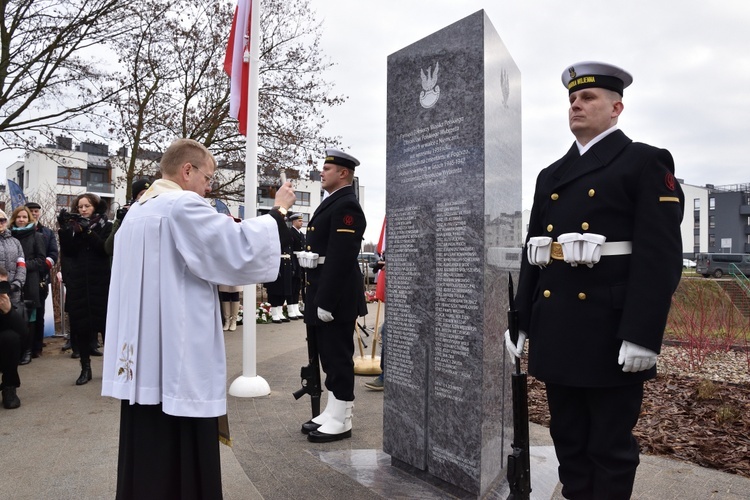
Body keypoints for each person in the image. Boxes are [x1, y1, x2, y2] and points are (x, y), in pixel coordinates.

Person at [505, 61, 684, 500]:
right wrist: (521, 319)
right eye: (572, 99)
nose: (576, 105)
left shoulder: (644, 162)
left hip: (610, 328)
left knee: (609, 445)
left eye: (588, 98)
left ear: (616, 108)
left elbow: (659, 256)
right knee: (568, 438)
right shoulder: (551, 175)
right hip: (559, 323)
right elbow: (536, 251)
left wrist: (642, 333)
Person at [101, 138, 295, 499]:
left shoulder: (136, 212)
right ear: (187, 170)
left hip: (143, 356)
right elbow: (235, 248)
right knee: (182, 448)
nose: (209, 187)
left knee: (146, 446)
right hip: (177, 354)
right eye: (208, 177)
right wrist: (278, 212)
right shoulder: (181, 205)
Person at [299, 149, 367, 443]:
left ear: (344, 173)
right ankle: (333, 410)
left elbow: (341, 257)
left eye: (327, 168)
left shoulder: (347, 206)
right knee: (327, 354)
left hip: (335, 295)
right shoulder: (332, 203)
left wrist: (325, 301)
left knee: (338, 355)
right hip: (322, 290)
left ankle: (343, 419)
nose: (322, 172)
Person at [57, 193, 113, 384]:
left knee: (106, 326)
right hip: (79, 281)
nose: (83, 210)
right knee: (80, 324)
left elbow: (103, 249)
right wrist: (64, 228)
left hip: (101, 280)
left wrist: (87, 231)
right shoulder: (74, 228)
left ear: (95, 207)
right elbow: (69, 251)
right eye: (80, 206)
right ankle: (85, 368)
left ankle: (111, 369)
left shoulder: (107, 225)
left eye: (87, 206)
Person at [9, 206, 47, 365]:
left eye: (25, 217)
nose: (22, 220)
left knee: (30, 319)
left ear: (29, 219)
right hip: (12, 282)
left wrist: (22, 266)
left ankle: (28, 351)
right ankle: (14, 351)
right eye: (19, 217)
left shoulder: (37, 236)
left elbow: (41, 260)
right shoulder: (8, 236)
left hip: (30, 283)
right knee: (13, 318)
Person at [25, 202, 59, 358]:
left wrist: (42, 267)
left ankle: (37, 347)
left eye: (36, 211)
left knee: (39, 313)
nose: (34, 213)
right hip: (22, 278)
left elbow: (53, 254)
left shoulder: (47, 232)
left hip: (40, 278)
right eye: (30, 211)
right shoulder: (15, 231)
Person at [0, 266, 26, 409]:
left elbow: (24, 337)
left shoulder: (6, 303)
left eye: (3, 284)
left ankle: (9, 387)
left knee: (11, 338)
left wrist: (9, 312)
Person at [104, 178, 152, 256]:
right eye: (142, 194)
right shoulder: (126, 216)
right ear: (135, 198)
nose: (146, 197)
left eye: (150, 194)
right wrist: (122, 221)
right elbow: (109, 248)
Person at [263, 217, 293, 324]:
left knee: (284, 290)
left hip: (285, 264)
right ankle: (274, 313)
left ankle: (279, 312)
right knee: (275, 290)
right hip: (277, 263)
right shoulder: (272, 233)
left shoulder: (286, 233)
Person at [0, 210, 26, 314]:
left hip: (13, 293)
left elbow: (21, 266)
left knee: (12, 327)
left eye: (2, 220)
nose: (0, 223)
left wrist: (17, 284)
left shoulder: (16, 242)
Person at [286, 212, 305, 320]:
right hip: (293, 261)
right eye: (299, 221)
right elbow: (290, 250)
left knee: (298, 286)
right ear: (293, 221)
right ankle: (290, 309)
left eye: (302, 221)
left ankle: (295, 307)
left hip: (300, 262)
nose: (301, 222)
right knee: (292, 286)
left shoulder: (301, 234)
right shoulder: (290, 233)